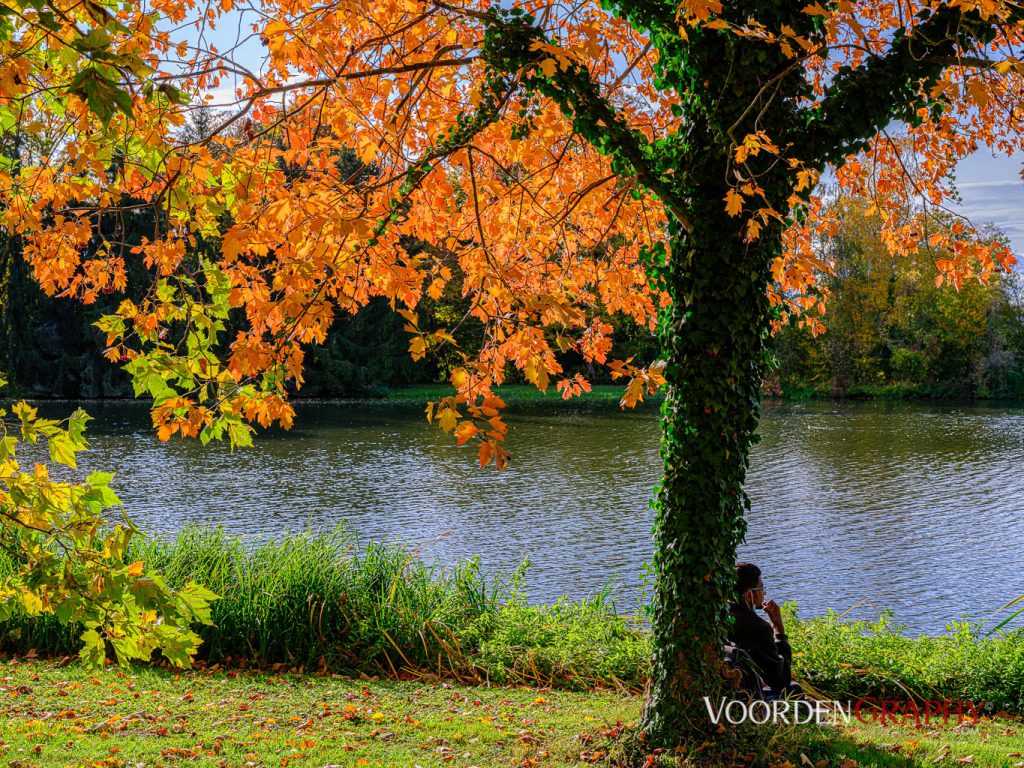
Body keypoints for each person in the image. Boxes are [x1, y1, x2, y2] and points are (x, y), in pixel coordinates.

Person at [728, 562, 799, 698]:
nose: (763, 593)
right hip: (752, 698)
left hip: (734, 693)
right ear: (748, 595)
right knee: (795, 690)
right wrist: (778, 627)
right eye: (761, 588)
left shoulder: (721, 618)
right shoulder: (759, 628)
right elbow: (782, 680)